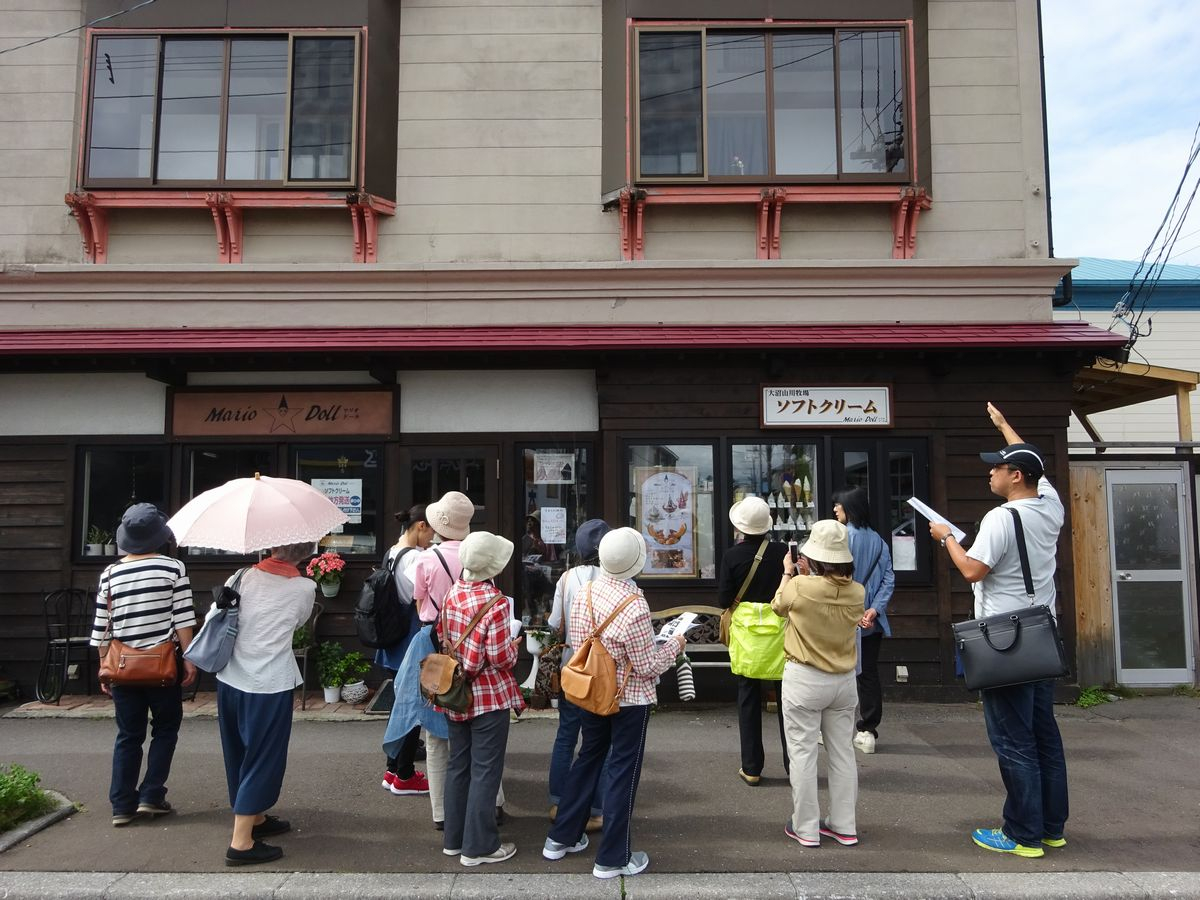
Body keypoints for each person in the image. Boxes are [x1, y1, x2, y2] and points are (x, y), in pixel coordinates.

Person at [930, 402, 1068, 860]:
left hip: (1004, 640)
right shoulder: (1049, 507)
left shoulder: (999, 519)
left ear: (1016, 477)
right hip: (1041, 633)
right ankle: (1051, 828)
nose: (991, 474)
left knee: (1012, 738)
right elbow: (1034, 460)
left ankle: (1022, 833)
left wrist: (946, 537)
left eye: (999, 468)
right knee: (1043, 733)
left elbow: (972, 569)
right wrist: (1004, 425)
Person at [543, 528, 685, 880]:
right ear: (637, 561)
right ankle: (613, 858)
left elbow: (579, 640)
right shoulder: (635, 604)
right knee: (623, 770)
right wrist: (674, 645)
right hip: (628, 698)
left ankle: (561, 837)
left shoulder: (586, 591)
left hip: (591, 689)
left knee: (588, 757)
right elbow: (648, 665)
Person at [397, 490, 505, 829]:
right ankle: (494, 803)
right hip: (476, 645)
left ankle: (442, 813)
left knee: (437, 733)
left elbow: (418, 603)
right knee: (481, 729)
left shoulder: (426, 558)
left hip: (434, 643)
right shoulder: (480, 555)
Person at [89, 503, 197, 828]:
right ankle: (151, 795)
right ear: (159, 536)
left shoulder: (109, 573)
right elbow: (183, 619)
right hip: (163, 666)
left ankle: (122, 805)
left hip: (122, 668)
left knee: (128, 735)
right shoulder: (173, 568)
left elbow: (101, 626)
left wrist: (102, 666)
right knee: (165, 730)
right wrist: (189, 659)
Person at [215, 541, 316, 866]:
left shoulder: (240, 576)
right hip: (268, 682)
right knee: (264, 757)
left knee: (239, 752)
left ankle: (255, 817)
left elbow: (215, 615)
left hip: (230, 677)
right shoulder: (303, 588)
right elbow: (297, 624)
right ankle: (241, 842)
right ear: (306, 552)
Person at [772, 519, 864, 849]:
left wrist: (788, 573)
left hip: (805, 677)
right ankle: (844, 825)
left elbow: (777, 607)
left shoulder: (800, 586)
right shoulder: (858, 591)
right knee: (842, 754)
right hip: (843, 680)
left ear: (813, 556)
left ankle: (806, 827)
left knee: (803, 753)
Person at [439, 531, 525, 866]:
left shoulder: (453, 593)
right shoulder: (496, 601)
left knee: (458, 764)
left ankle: (455, 839)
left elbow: (443, 635)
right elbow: (500, 657)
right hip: (488, 694)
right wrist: (514, 648)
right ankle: (480, 847)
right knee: (485, 770)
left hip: (454, 690)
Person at [719, 497, 789, 786]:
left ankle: (751, 767)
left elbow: (724, 600)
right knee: (788, 701)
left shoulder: (731, 556)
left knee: (747, 697)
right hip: (780, 632)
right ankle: (794, 765)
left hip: (747, 635)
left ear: (740, 527)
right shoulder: (783, 551)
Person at [547, 518, 612, 830]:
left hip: (572, 665)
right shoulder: (618, 579)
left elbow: (553, 623)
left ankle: (559, 802)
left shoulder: (567, 577)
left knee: (566, 736)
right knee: (600, 740)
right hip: (606, 670)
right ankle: (597, 809)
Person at [831, 486, 896, 755]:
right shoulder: (879, 541)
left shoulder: (841, 537)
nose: (835, 509)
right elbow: (889, 578)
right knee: (868, 674)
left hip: (841, 618)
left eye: (839, 505)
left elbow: (833, 577)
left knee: (834, 671)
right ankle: (868, 730)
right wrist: (874, 610)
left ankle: (834, 730)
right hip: (871, 622)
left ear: (850, 509)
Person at [377, 504, 435, 795]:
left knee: (401, 703)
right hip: (410, 637)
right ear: (421, 526)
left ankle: (392, 769)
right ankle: (405, 774)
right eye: (431, 531)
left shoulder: (391, 551)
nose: (432, 539)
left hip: (393, 637)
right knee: (412, 707)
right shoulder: (416, 558)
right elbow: (420, 600)